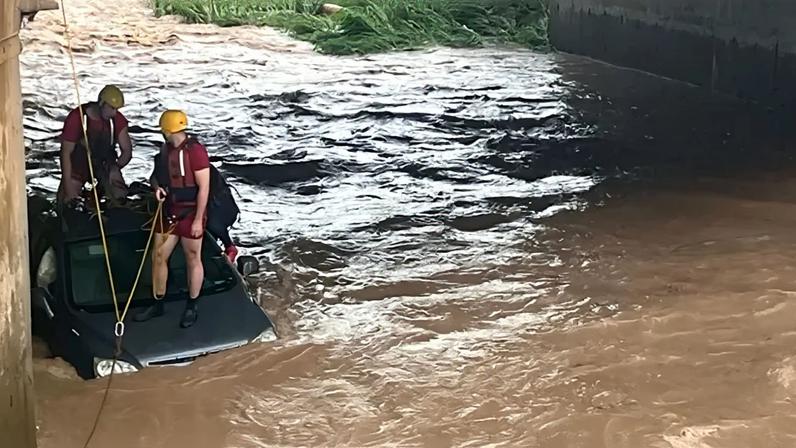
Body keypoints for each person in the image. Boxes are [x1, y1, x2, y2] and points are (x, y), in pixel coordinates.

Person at [134, 110, 209, 328]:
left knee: (192, 257)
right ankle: (158, 303)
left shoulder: (195, 151)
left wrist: (198, 220)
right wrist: (157, 188)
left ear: (167, 130)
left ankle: (192, 305)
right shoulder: (165, 150)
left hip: (190, 212)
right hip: (169, 211)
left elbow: (204, 187)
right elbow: (155, 177)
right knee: (158, 255)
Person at [58, 84, 132, 205]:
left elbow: (127, 151)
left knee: (119, 193)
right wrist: (68, 186)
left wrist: (116, 167)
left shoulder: (117, 120)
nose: (114, 113)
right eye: (112, 108)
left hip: (105, 164)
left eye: (116, 109)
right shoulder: (77, 118)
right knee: (68, 199)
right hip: (79, 164)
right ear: (101, 103)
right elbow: (66, 153)